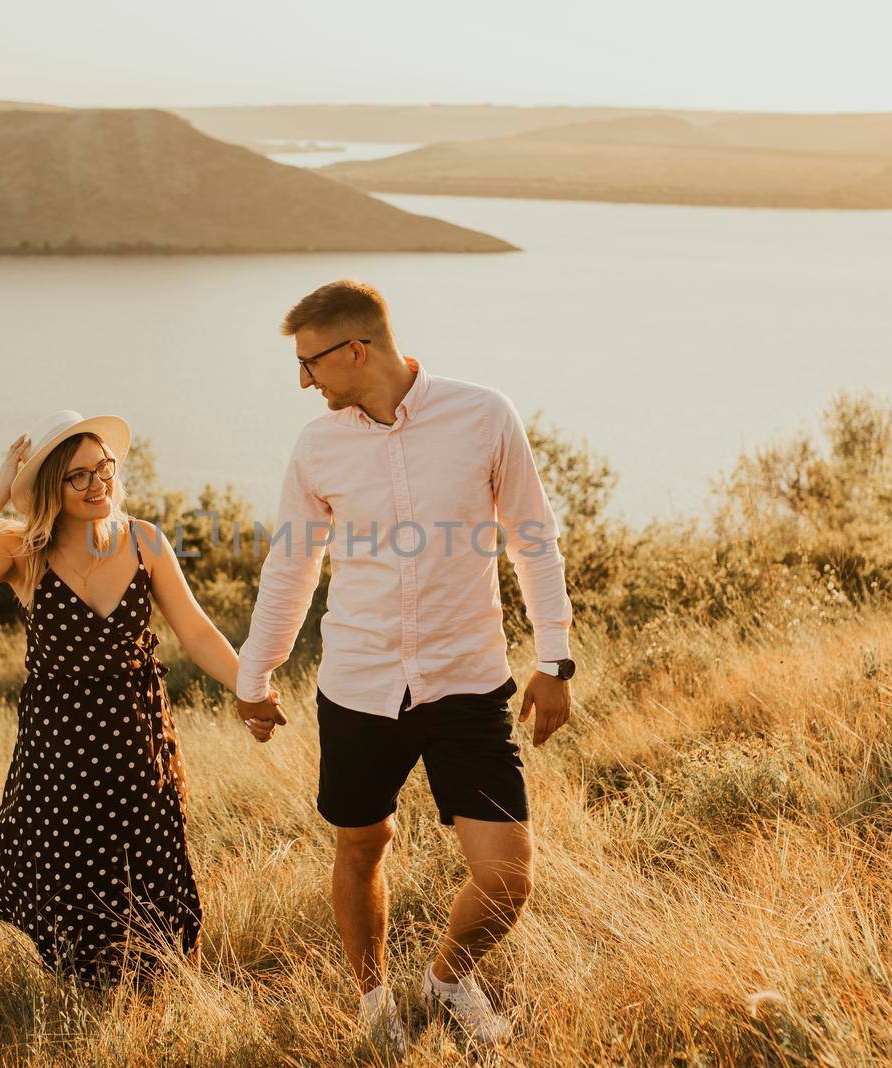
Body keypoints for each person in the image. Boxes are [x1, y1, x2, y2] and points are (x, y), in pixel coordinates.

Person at [235, 280, 575, 1052]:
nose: (302, 381)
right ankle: (372, 999)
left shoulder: (483, 415)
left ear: (356, 350)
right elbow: (291, 569)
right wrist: (254, 677)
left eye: (309, 362)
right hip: (357, 684)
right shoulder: (317, 446)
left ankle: (448, 978)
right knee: (362, 844)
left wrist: (555, 658)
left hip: (468, 682)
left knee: (508, 876)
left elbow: (533, 538)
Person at [0, 410, 280, 986]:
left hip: (138, 734)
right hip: (58, 745)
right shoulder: (23, 552)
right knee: (69, 869)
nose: (99, 485)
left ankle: (157, 990)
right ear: (51, 489)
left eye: (105, 469)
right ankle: (90, 990)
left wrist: (252, 689)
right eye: (78, 477)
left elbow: (196, 632)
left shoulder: (144, 540)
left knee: (149, 862)